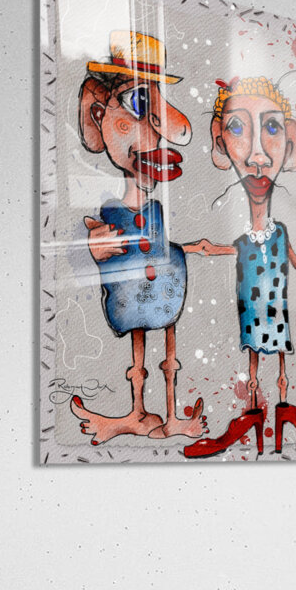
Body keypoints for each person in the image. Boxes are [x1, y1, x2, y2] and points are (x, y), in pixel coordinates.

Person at [184, 76, 296, 457]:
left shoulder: (280, 232)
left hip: (277, 315)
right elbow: (215, 249)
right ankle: (253, 420)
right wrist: (187, 249)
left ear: (291, 142)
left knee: (280, 367)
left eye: (271, 128)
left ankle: (282, 420)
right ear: (219, 141)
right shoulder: (243, 241)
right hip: (252, 316)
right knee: (253, 367)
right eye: (237, 127)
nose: (258, 157)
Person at [71, 31, 207, 445]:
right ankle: (136, 412)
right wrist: (91, 248)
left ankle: (171, 416)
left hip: (164, 291)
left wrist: (194, 249)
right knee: (138, 351)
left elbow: (164, 247)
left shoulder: (156, 211)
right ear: (99, 115)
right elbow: (68, 257)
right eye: (140, 102)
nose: (164, 129)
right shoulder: (111, 210)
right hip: (133, 295)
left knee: (169, 348)